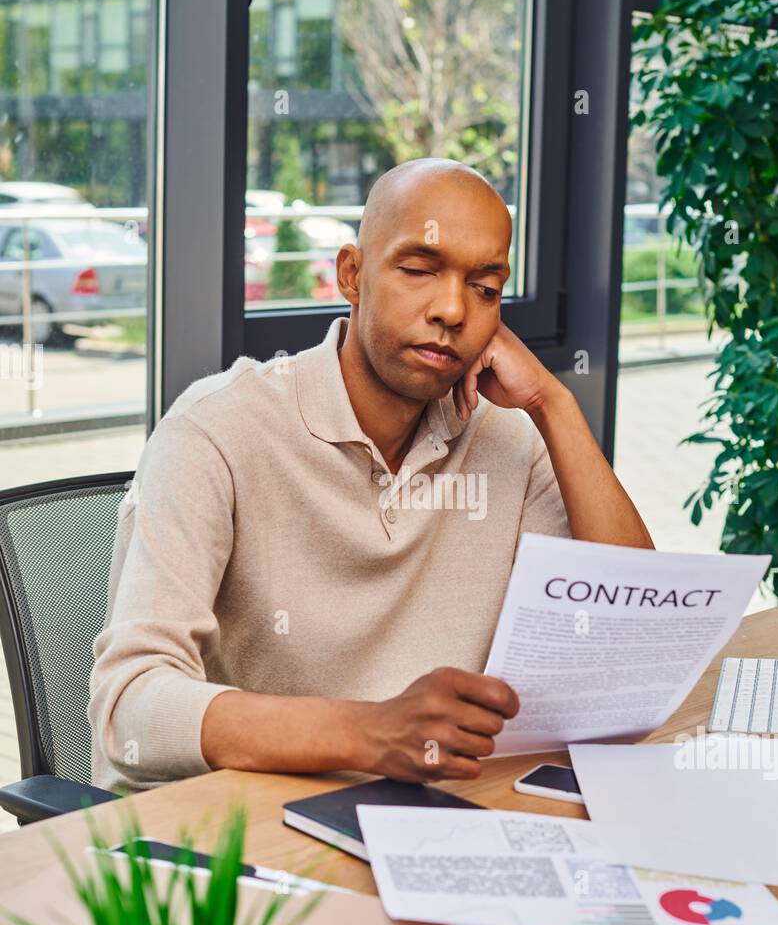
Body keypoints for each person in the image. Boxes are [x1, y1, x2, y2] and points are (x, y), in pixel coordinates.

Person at [89, 158, 652, 794]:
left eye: (485, 289)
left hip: (437, 808)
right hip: (250, 825)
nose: (451, 309)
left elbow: (628, 641)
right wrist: (373, 733)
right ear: (351, 275)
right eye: (419, 270)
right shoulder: (215, 430)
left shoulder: (509, 435)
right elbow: (128, 707)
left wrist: (555, 404)